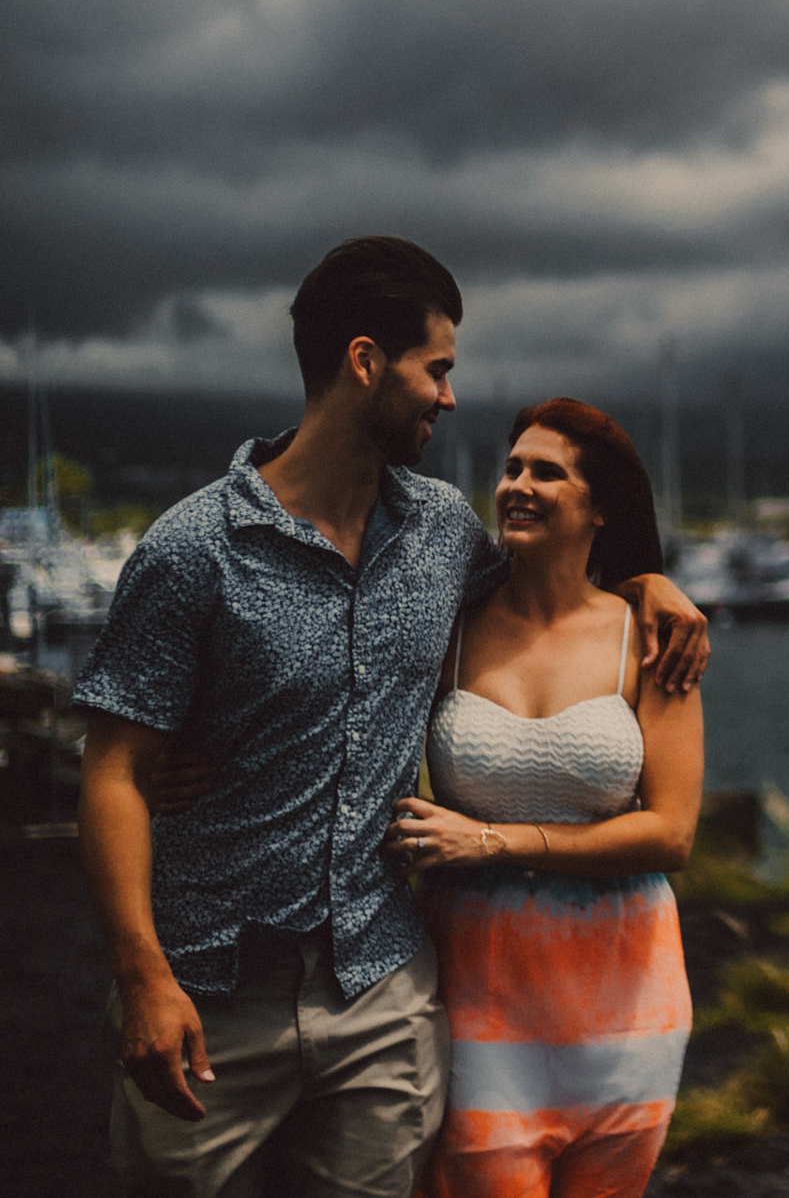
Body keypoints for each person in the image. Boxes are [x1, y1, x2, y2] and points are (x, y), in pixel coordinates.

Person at [73, 236, 709, 1198]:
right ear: (367, 363)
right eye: (437, 369)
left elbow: (559, 593)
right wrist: (144, 980)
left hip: (385, 985)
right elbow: (113, 769)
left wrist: (650, 581)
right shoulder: (193, 548)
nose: (450, 397)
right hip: (211, 989)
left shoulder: (446, 532)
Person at [383, 397, 699, 1195]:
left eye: (547, 472)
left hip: (630, 1002)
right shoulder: (449, 627)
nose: (518, 484)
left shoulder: (650, 636)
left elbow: (672, 834)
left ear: (600, 507)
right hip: (478, 993)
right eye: (513, 467)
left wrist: (492, 840)